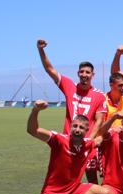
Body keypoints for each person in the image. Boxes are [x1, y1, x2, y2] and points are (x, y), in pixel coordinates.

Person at [20, 100, 116, 194]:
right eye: (75, 126)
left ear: (86, 131)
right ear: (71, 127)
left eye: (82, 128)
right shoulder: (59, 140)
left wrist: (113, 123)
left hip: (73, 189)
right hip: (53, 193)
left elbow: (100, 137)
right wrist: (35, 110)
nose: (77, 129)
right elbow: (32, 130)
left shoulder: (87, 144)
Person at [37, 39, 107, 184]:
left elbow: (99, 120)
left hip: (87, 143)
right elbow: (50, 69)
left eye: (88, 72)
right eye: (81, 72)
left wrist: (89, 141)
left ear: (92, 75)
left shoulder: (99, 95)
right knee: (63, 174)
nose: (84, 74)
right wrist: (41, 49)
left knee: (91, 175)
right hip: (68, 141)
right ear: (78, 73)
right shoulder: (69, 86)